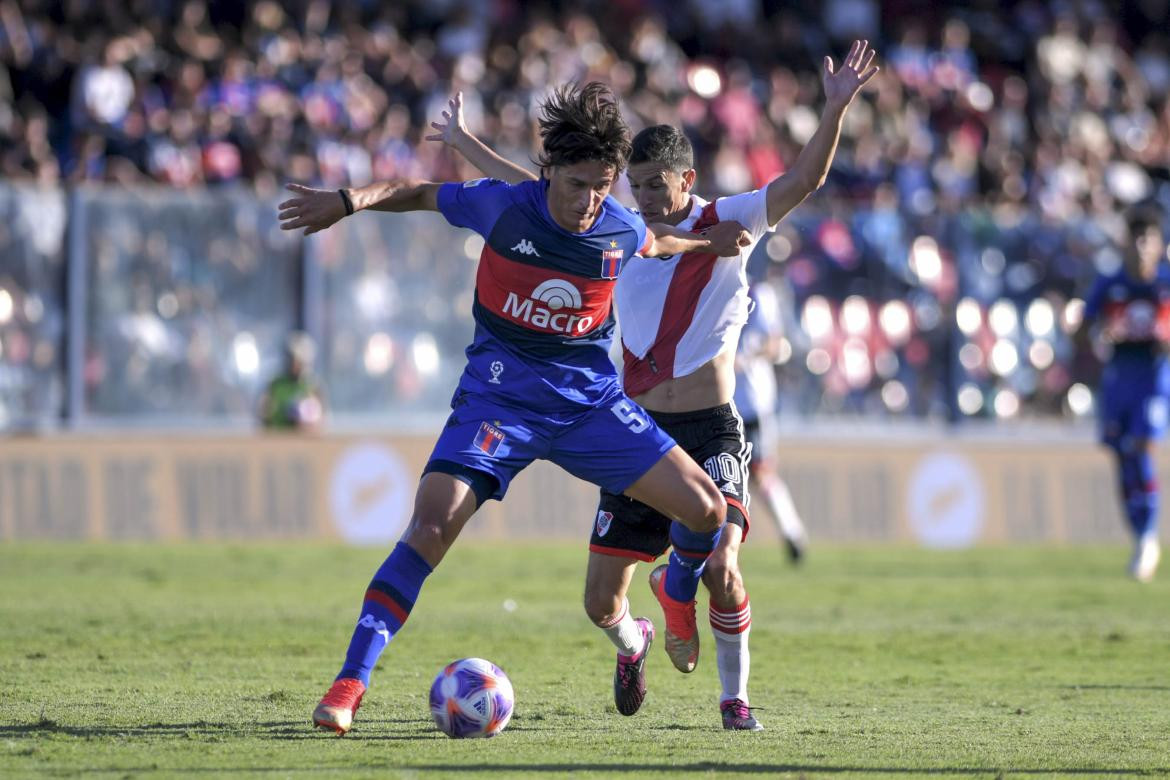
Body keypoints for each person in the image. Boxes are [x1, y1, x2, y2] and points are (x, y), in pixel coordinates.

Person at [278, 82, 753, 735]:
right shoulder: (503, 208)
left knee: (706, 510)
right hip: (499, 401)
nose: (590, 201)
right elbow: (418, 191)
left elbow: (654, 241)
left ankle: (670, 600)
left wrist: (707, 245)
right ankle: (349, 684)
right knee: (430, 527)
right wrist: (346, 202)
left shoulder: (616, 224)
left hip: (590, 405)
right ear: (548, 172)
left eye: (602, 185)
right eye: (578, 183)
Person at [434, 41, 877, 729]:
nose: (641, 199)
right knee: (600, 603)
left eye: (653, 187)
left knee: (722, 563)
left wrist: (835, 107)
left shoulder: (732, 222)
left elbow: (804, 182)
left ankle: (732, 698)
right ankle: (632, 639)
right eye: (632, 187)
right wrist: (463, 142)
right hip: (636, 432)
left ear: (686, 179)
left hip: (712, 427)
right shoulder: (618, 230)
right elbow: (526, 186)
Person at [1076, 206, 1168, 583]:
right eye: (1136, 237)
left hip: (1154, 379)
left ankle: (1148, 536)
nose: (1142, 246)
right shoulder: (1109, 283)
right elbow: (1081, 330)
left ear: (1160, 245)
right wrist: (1100, 336)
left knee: (1142, 447)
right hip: (1118, 379)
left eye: (1149, 238)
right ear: (1125, 241)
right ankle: (1139, 535)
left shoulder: (1165, 284)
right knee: (1120, 455)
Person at [733, 279, 809, 563]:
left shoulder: (758, 292)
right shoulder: (715, 283)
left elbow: (775, 343)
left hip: (752, 401)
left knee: (761, 472)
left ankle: (792, 533)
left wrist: (745, 357)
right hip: (720, 400)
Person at [258, 331, 325, 431]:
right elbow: (264, 417)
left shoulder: (313, 386)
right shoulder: (275, 386)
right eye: (292, 359)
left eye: (298, 360)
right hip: (278, 440)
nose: (295, 364)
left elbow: (321, 422)